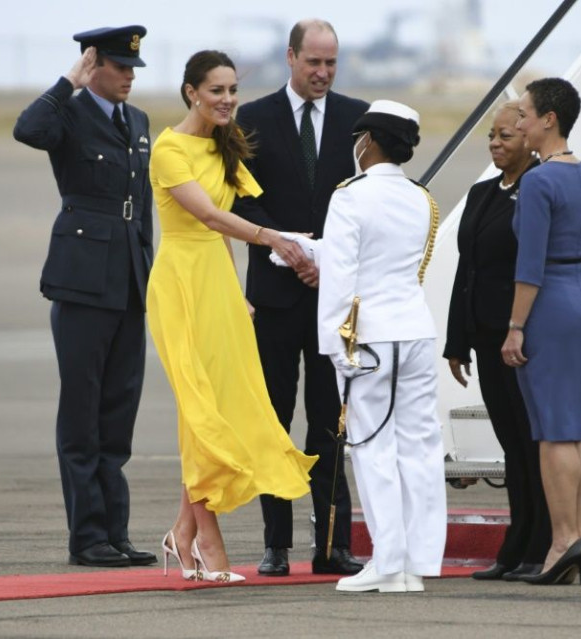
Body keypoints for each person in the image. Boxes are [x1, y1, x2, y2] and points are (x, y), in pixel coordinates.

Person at [147, 50, 317, 584]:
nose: (227, 100)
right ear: (191, 92)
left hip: (218, 285)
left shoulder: (226, 148)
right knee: (198, 408)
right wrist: (273, 239)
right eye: (216, 91)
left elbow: (229, 223)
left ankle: (181, 532)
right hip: (179, 283)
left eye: (232, 91)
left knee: (221, 405)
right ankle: (209, 543)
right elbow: (207, 215)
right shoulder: (169, 149)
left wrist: (239, 292)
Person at [13, 26, 157, 568]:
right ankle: (87, 536)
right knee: (82, 414)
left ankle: (115, 533)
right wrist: (67, 82)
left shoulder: (137, 121)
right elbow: (28, 129)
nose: (128, 77)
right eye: (118, 67)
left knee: (118, 415)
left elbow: (140, 207)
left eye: (132, 69)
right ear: (93, 64)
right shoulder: (69, 112)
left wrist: (149, 272)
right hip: (81, 280)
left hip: (128, 281)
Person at [233, 18, 368, 577]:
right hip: (275, 296)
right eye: (313, 62)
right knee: (273, 418)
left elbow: (364, 204)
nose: (323, 73)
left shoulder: (356, 119)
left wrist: (327, 261)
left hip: (331, 299)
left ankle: (333, 542)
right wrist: (286, 249)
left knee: (328, 422)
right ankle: (276, 544)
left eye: (331, 63)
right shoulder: (253, 119)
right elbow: (239, 201)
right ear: (290, 58)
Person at [316, 100, 447, 593]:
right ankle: (417, 563)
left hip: (367, 336)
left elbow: (341, 276)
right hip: (414, 329)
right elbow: (407, 268)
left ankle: (387, 562)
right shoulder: (421, 198)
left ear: (367, 141)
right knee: (420, 447)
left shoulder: (350, 196)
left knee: (372, 447)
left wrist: (334, 342)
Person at [443, 101, 551, 581]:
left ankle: (538, 540)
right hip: (485, 334)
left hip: (520, 334)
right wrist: (455, 339)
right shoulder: (482, 191)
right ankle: (515, 544)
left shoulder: (537, 187)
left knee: (530, 442)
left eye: (506, 136)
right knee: (510, 442)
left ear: (528, 137)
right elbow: (466, 267)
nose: (495, 143)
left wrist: (517, 325)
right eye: (492, 135)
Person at [502, 78, 581, 585]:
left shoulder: (539, 182)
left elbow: (529, 266)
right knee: (580, 428)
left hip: (551, 305)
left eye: (524, 114)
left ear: (549, 120)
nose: (518, 123)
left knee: (552, 431)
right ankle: (576, 535)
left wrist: (516, 326)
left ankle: (562, 540)